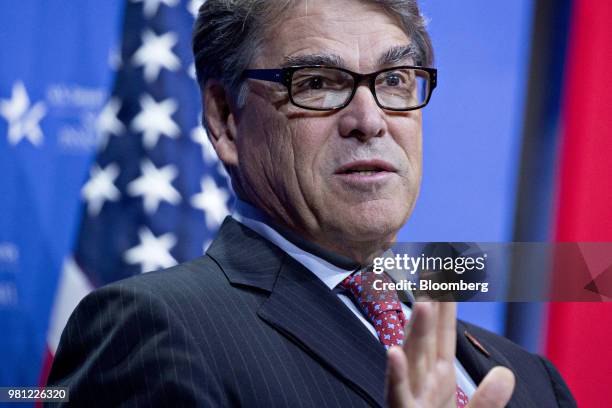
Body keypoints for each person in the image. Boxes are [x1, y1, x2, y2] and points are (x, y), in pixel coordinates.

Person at [46, 0, 577, 407]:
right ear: (225, 117)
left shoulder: (530, 379)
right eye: (318, 83)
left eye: (393, 81)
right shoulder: (152, 331)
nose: (370, 121)